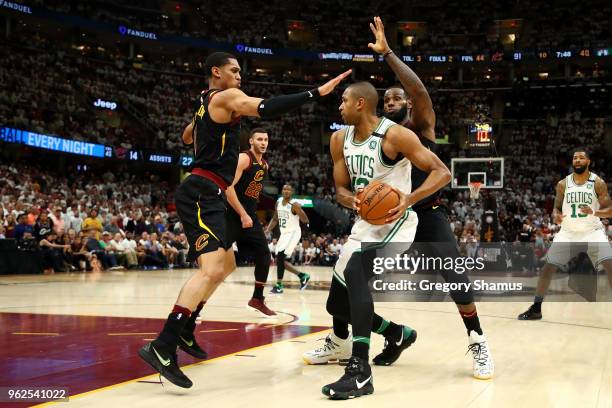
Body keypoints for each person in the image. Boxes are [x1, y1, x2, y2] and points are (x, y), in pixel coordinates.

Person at [138, 51, 351, 388]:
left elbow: (186, 137)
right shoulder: (227, 96)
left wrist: (201, 124)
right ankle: (163, 346)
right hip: (201, 192)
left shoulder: (206, 99)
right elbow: (266, 108)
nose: (240, 76)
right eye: (234, 70)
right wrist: (316, 93)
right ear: (216, 72)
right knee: (210, 270)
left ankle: (186, 331)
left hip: (208, 191)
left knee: (226, 265)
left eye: (240, 72)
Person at [320, 81, 451, 399]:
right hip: (365, 224)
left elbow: (442, 172)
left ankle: (360, 372)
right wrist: (350, 199)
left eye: (344, 100)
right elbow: (339, 188)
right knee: (335, 304)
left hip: (397, 223)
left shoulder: (394, 135)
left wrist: (409, 198)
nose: (340, 106)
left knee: (355, 271)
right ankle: (397, 333)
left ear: (361, 103)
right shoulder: (339, 139)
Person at [518, 149, 612, 319]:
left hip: (593, 231)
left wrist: (594, 212)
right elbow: (556, 209)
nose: (577, 160)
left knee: (610, 266)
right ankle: (536, 308)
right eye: (575, 158)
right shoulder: (563, 184)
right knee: (547, 268)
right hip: (568, 232)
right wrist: (556, 217)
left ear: (588, 162)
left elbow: (609, 211)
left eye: (581, 158)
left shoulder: (598, 182)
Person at [225, 128, 276, 316]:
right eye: (259, 139)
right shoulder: (244, 158)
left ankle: (257, 299)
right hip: (230, 214)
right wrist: (242, 214)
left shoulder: (264, 165)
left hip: (249, 216)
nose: (263, 142)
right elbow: (228, 188)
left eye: (266, 139)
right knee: (216, 266)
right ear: (251, 142)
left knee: (264, 255)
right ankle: (194, 308)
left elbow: (251, 194)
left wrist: (250, 215)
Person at [265, 184, 310, 293]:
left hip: (294, 233)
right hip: (284, 234)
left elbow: (305, 220)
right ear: (282, 191)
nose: (286, 191)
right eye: (284, 189)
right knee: (279, 260)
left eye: (288, 189)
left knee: (280, 256)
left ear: (292, 192)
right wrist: (267, 229)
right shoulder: (278, 202)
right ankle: (303, 276)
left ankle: (279, 286)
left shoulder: (294, 204)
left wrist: (305, 238)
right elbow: (275, 218)